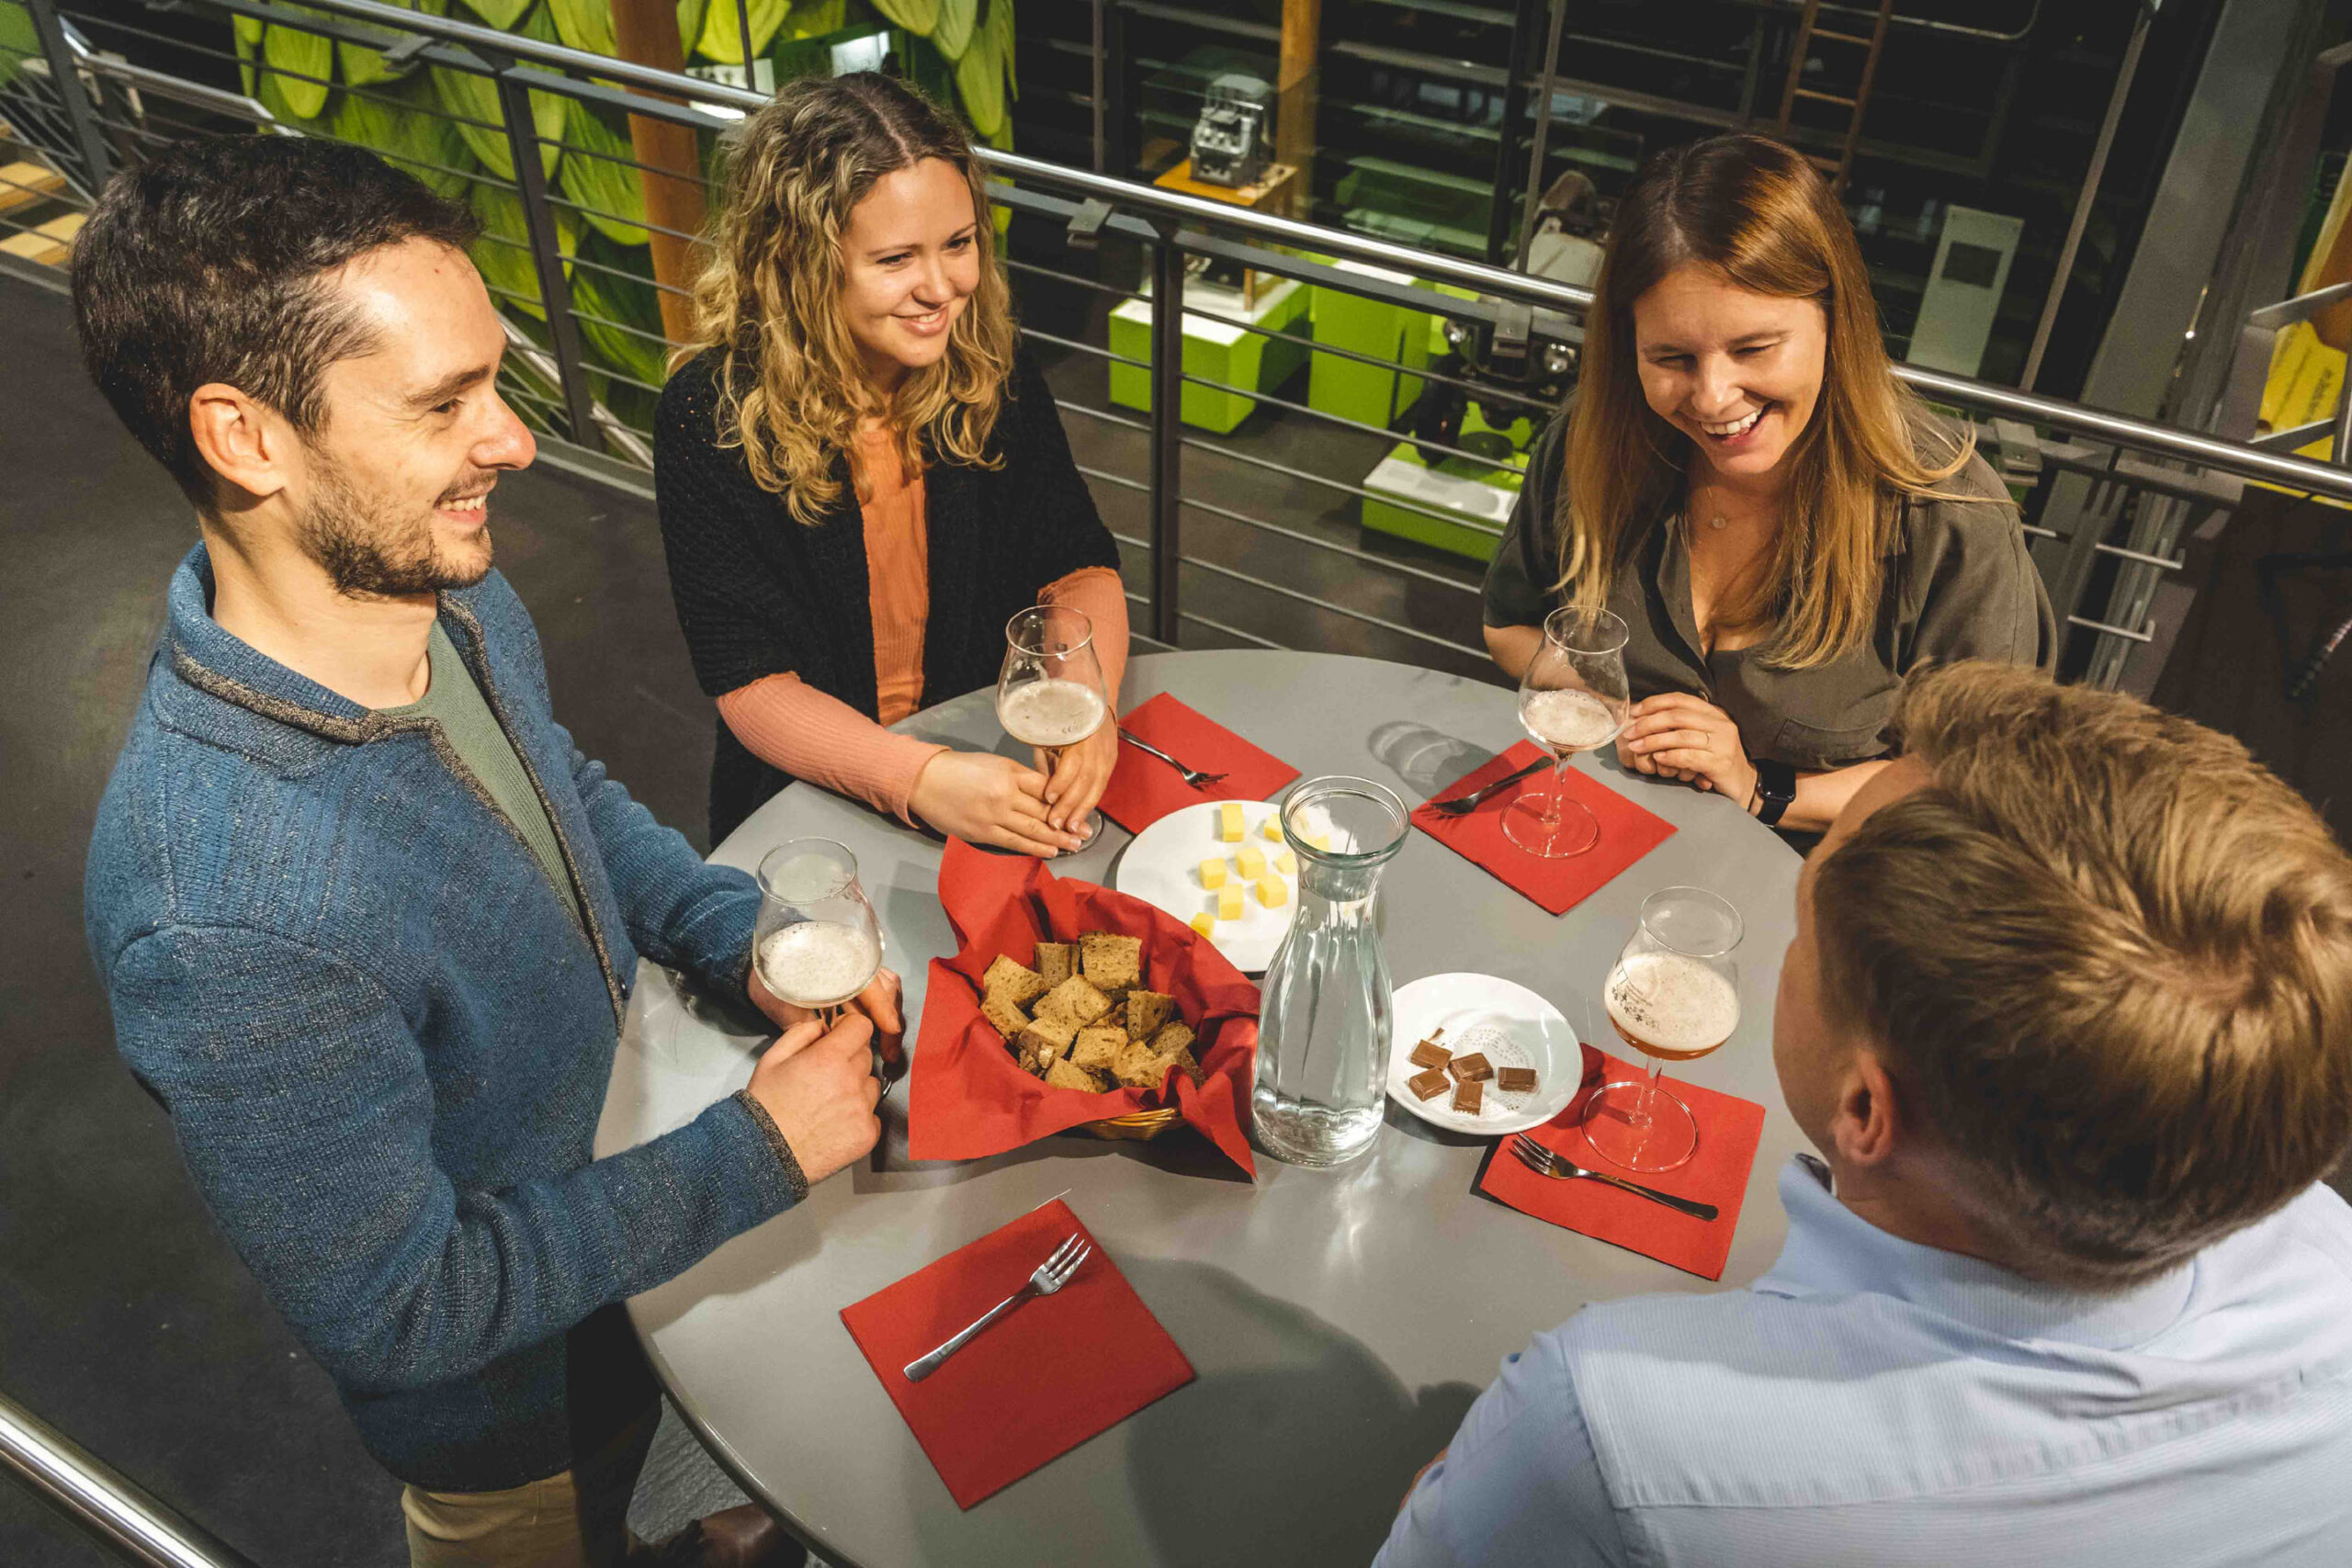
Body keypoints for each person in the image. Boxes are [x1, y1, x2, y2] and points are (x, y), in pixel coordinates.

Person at [74, 136, 899, 1568]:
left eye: (494, 379)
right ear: (245, 436)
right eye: (445, 401)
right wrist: (760, 1149)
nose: (514, 438)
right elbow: (402, 1308)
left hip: (654, 1247)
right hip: (528, 1423)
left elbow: (558, 788)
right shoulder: (225, 912)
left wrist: (736, 935)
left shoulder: (439, 596)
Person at [1374, 661, 2352, 1567]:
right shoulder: (2327, 1253)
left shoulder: (1610, 1434)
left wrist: (1469, 1481)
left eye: (1803, 929)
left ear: (1863, 1108)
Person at [1483, 134, 2054, 837]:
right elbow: (1509, 624)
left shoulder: (1949, 514)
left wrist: (1764, 788)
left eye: (1754, 348)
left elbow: (1975, 775)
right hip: (1614, 837)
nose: (1715, 397)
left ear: (1835, 321)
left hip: (1825, 884)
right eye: (1672, 358)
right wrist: (1626, 717)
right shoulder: (1594, 442)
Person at [656, 73, 1128, 852]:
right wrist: (921, 777)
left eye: (959, 244)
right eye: (896, 258)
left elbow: (1076, 561)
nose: (942, 289)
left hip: (989, 758)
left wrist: (1089, 703)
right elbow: (750, 681)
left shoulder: (991, 364)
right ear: (801, 261)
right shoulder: (708, 417)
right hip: (813, 793)